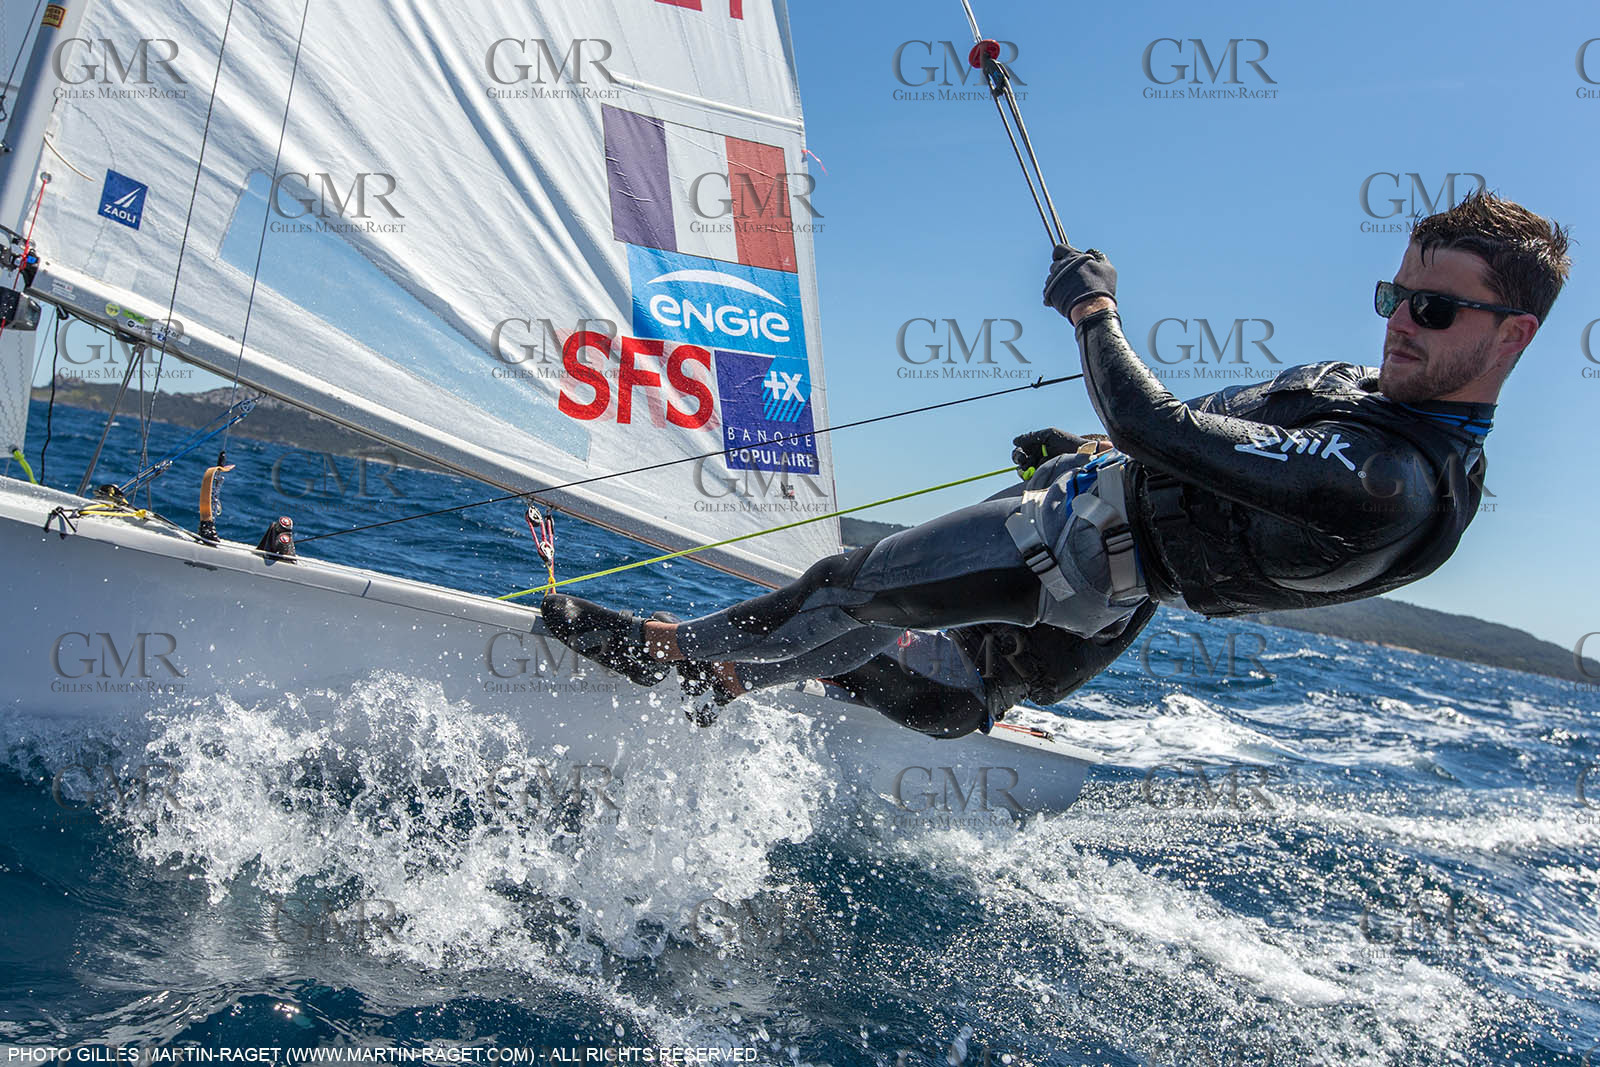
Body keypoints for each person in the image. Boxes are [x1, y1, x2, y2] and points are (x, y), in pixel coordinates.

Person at [542, 192, 1569, 735]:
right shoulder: (1362, 395)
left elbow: (1156, 426)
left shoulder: (1387, 481)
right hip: (1099, 534)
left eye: (1431, 311)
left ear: (1512, 336)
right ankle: (740, 675)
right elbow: (1212, 445)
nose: (1399, 326)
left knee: (849, 586)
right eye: (1396, 298)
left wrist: (1094, 310)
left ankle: (680, 661)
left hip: (1082, 559)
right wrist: (1082, 446)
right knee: (920, 661)